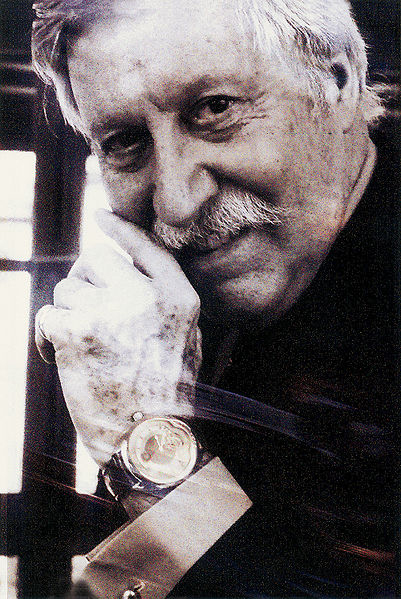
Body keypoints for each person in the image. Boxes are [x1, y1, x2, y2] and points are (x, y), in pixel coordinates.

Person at [32, 0, 397, 597]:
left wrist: (149, 449)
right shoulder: (165, 316)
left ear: (337, 83)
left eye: (215, 109)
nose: (176, 203)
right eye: (125, 142)